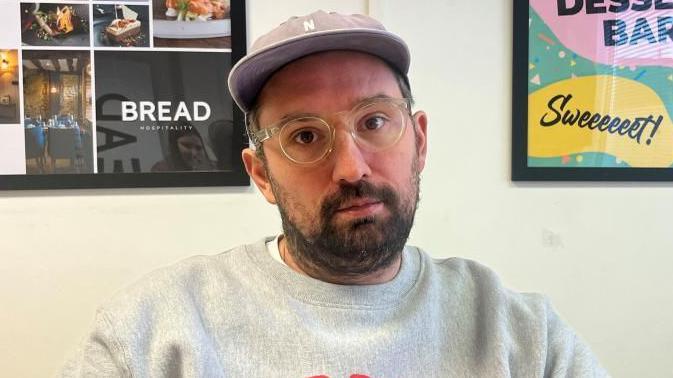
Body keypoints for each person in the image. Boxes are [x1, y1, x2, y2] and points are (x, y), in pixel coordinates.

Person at [62, 10, 608, 377]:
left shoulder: (525, 341)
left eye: (374, 121)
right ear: (261, 174)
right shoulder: (150, 334)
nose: (350, 168)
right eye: (304, 136)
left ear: (418, 140)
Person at [151, 124, 215, 172]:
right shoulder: (160, 170)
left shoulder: (212, 166)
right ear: (173, 146)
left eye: (198, 148)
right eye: (187, 146)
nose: (194, 153)